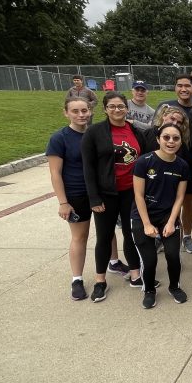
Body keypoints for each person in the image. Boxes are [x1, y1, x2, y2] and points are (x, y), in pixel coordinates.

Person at [81, 91, 151, 302]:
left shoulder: (135, 131)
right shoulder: (94, 132)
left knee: (131, 234)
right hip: (106, 193)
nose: (117, 110)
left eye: (121, 106)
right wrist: (94, 198)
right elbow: (88, 168)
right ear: (105, 109)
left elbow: (145, 159)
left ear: (127, 108)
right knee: (104, 236)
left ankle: (135, 274)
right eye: (112, 106)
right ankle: (100, 280)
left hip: (131, 191)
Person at [131, 122, 189, 309]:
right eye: (166, 137)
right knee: (149, 259)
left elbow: (180, 197)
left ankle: (174, 286)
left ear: (181, 141)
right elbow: (138, 196)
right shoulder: (144, 162)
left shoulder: (182, 166)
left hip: (167, 216)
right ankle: (149, 290)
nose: (171, 141)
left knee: (172, 255)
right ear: (158, 139)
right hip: (143, 216)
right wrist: (147, 224)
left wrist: (172, 222)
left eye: (175, 138)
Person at [46, 97, 94, 300]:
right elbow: (55, 173)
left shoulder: (95, 134)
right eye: (75, 111)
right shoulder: (60, 138)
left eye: (84, 110)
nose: (81, 114)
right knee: (79, 236)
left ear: (90, 111)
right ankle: (77, 279)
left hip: (99, 192)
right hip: (76, 193)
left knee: (107, 232)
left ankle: (113, 262)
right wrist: (63, 202)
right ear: (66, 113)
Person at [157, 74, 192, 254]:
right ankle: (162, 235)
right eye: (179, 85)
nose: (183, 89)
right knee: (164, 200)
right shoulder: (166, 107)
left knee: (188, 201)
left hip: (188, 164)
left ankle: (187, 236)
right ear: (175, 87)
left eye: (187, 86)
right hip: (164, 164)